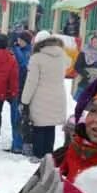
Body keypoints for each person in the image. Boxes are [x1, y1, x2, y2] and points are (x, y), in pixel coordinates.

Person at [19, 31, 70, 160]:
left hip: (40, 97)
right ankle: (48, 155)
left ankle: (38, 154)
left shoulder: (37, 58)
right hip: (58, 96)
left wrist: (24, 100)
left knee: (39, 127)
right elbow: (68, 65)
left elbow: (31, 82)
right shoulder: (62, 55)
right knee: (50, 127)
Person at [8, 31, 33, 153]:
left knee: (17, 118)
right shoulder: (26, 51)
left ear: (25, 41)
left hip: (21, 90)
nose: (18, 42)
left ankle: (17, 146)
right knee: (18, 118)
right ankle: (16, 144)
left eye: (20, 40)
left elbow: (23, 66)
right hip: (20, 89)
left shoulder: (26, 52)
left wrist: (15, 48)